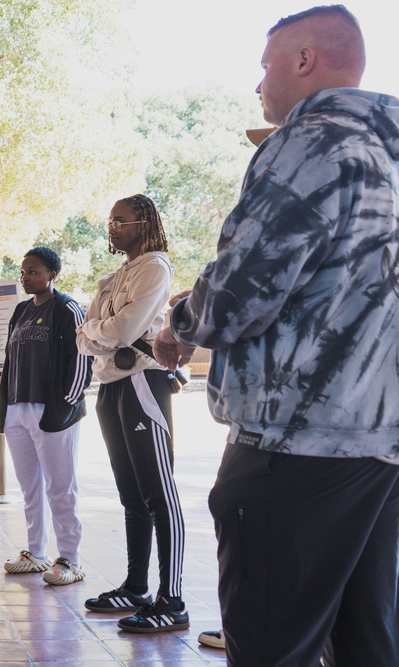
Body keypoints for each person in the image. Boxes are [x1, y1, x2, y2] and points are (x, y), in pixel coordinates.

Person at [154, 5, 399, 665]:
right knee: (368, 644)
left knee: (269, 645)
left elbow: (242, 291)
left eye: (265, 66)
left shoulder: (310, 142)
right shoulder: (391, 151)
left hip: (294, 446)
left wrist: (177, 329)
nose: (257, 85)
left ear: (303, 61)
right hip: (379, 448)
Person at [75, 194, 189, 633]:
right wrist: (104, 333)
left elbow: (122, 330)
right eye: (110, 221)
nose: (113, 228)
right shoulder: (114, 277)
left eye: (120, 221)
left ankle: (172, 600)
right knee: (131, 495)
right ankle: (137, 587)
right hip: (111, 386)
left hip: (144, 383)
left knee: (160, 494)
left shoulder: (155, 267)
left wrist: (102, 332)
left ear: (144, 222)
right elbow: (83, 337)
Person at [0, 247, 92, 585]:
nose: (25, 277)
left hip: (53, 412)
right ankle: (36, 552)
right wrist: (5, 410)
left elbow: (82, 361)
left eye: (33, 271)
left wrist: (63, 407)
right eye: (23, 271)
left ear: (52, 274)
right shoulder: (21, 311)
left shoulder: (67, 309)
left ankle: (70, 559)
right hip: (18, 411)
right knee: (30, 488)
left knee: (61, 489)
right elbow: (10, 363)